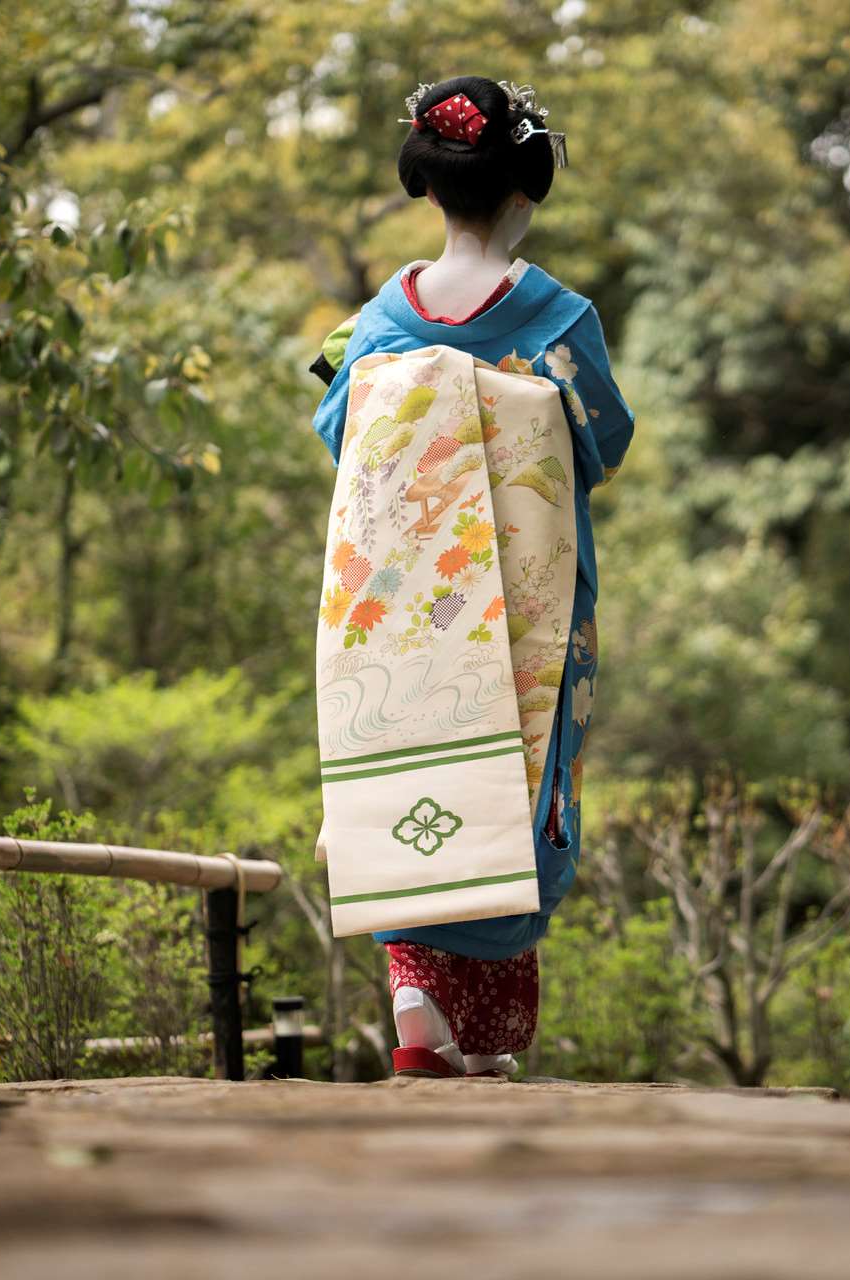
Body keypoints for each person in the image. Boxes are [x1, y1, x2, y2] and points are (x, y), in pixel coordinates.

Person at [310, 76, 634, 1079]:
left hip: (404, 602)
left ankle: (414, 997)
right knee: (517, 769)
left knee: (410, 753)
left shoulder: (376, 323)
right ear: (526, 183)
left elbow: (340, 434)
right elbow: (603, 441)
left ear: (428, 185)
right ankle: (480, 1033)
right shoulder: (556, 317)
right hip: (523, 603)